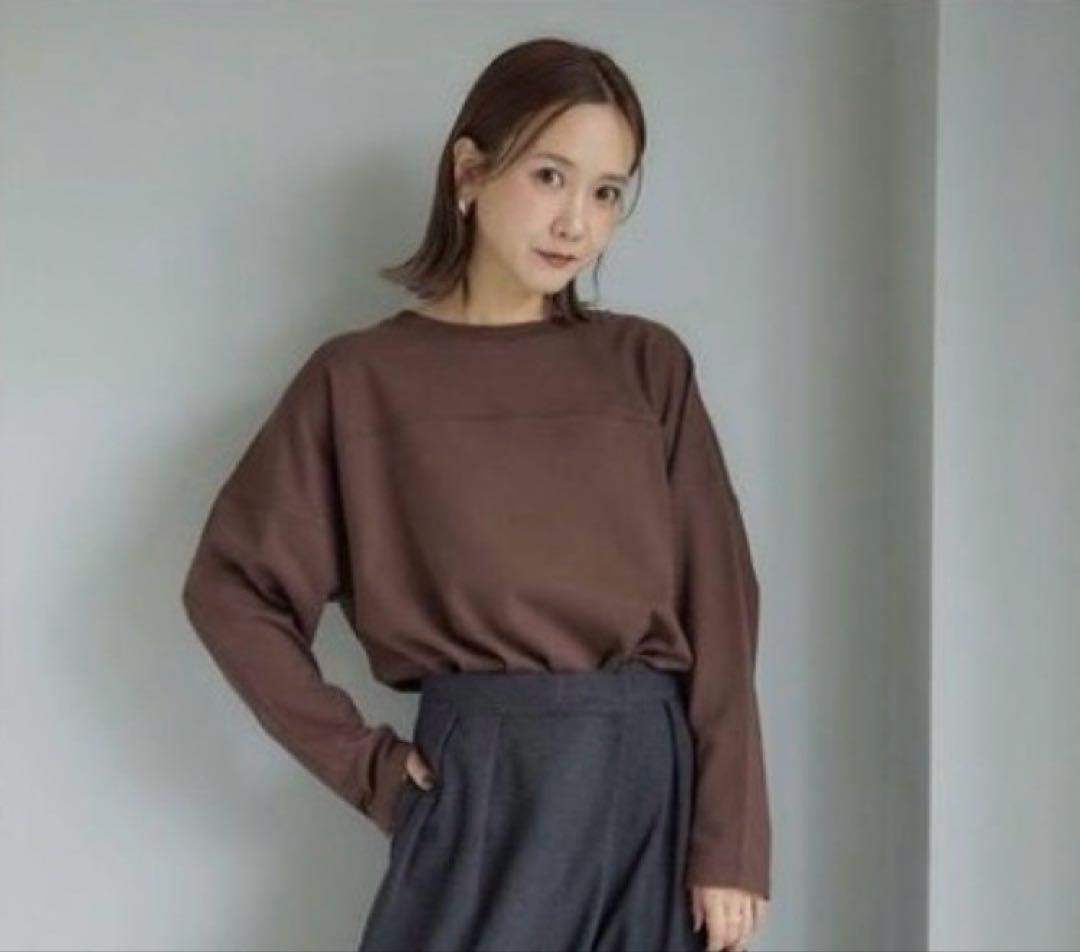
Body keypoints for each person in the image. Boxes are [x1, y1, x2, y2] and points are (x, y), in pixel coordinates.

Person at [181, 35, 770, 952]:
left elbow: (721, 608)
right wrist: (371, 769)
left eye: (606, 193)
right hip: (485, 786)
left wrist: (730, 841)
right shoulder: (361, 381)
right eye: (549, 176)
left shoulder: (647, 368)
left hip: (650, 789)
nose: (575, 221)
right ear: (469, 171)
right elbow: (232, 589)